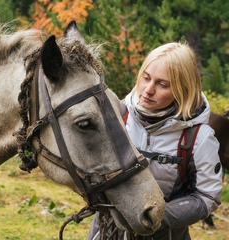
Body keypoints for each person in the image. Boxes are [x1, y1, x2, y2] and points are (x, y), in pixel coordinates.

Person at [87, 42, 222, 240]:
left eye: (162, 84)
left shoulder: (199, 138)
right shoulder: (117, 116)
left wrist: (159, 217)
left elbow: (207, 197)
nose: (148, 90)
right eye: (146, 78)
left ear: (182, 89)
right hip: (106, 232)